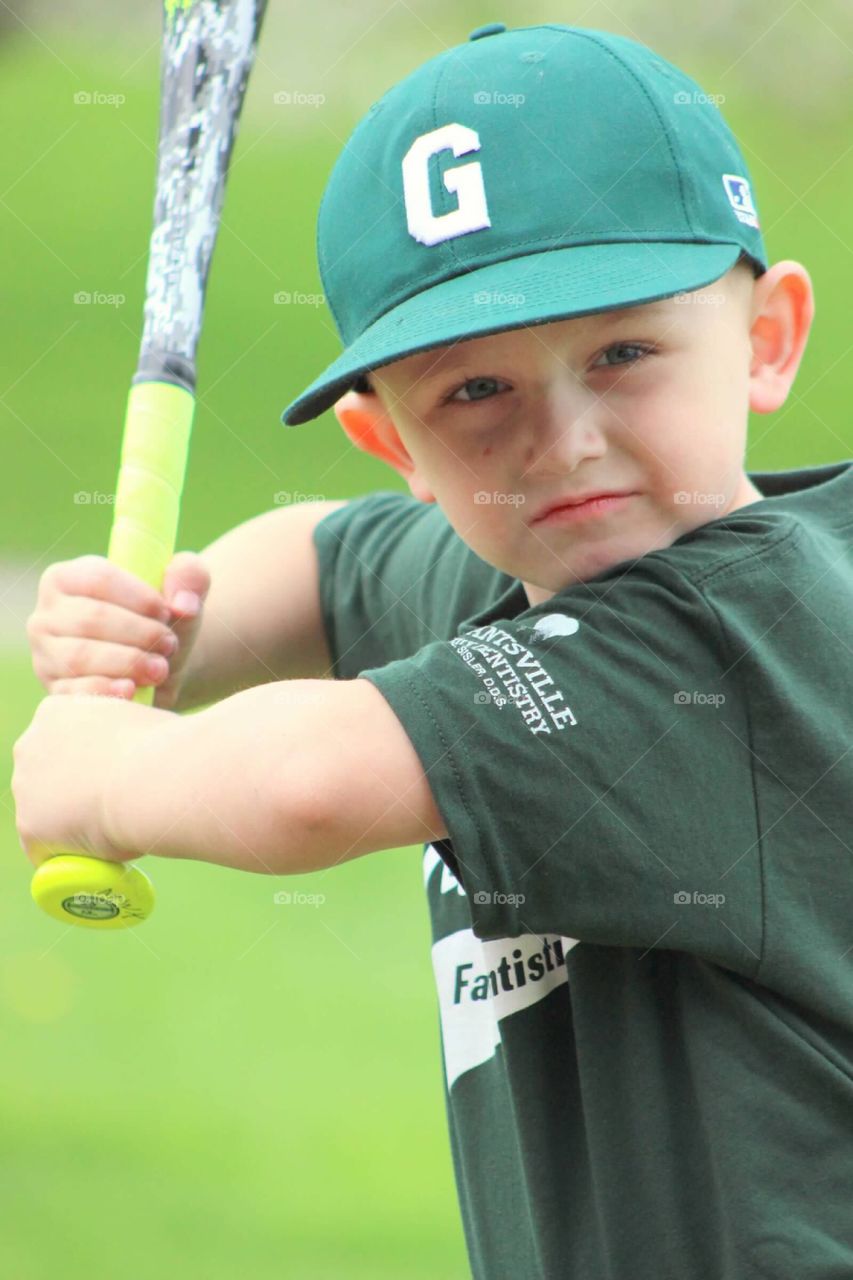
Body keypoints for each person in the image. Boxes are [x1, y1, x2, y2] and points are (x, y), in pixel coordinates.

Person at [15, 21, 853, 1279]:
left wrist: (104, 773)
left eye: (622, 353)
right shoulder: (540, 564)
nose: (561, 442)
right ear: (390, 444)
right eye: (475, 393)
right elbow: (321, 556)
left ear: (769, 337)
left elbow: (313, 782)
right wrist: (168, 634)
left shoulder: (736, 639)